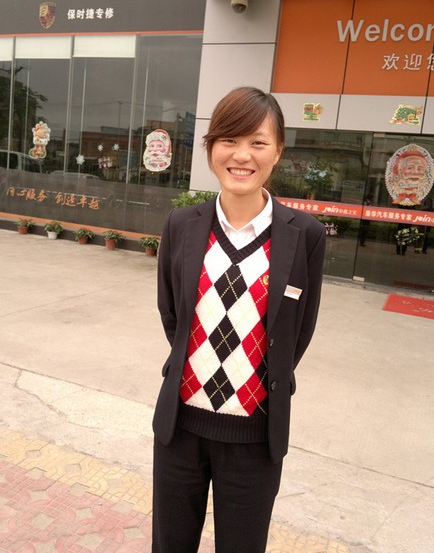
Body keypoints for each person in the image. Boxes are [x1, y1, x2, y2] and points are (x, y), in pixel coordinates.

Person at [152, 86, 326, 553]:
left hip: (255, 437)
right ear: (211, 147)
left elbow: (298, 331)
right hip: (179, 430)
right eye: (229, 139)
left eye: (258, 142)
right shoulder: (181, 224)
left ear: (278, 151)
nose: (242, 155)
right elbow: (172, 315)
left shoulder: (304, 235)